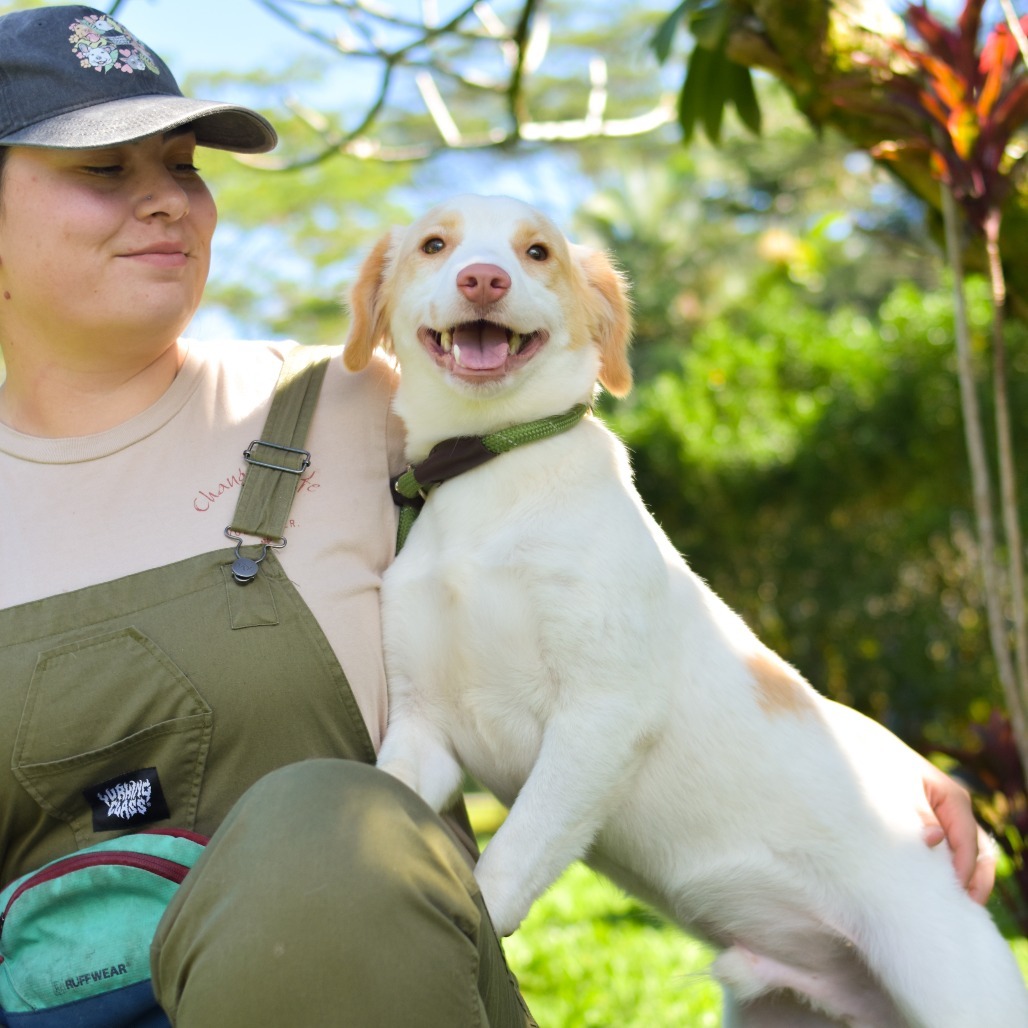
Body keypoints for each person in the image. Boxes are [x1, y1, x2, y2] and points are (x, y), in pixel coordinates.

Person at [0, 6, 997, 1027]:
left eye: (183, 166)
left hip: (366, 985)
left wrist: (871, 762)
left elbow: (644, 610)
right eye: (106, 170)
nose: (166, 200)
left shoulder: (365, 403)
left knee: (327, 825)